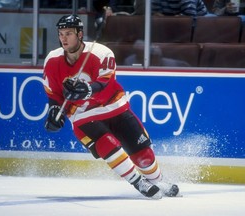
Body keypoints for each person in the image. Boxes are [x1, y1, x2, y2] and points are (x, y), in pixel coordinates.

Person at [42, 14, 179, 199]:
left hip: (114, 106)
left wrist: (88, 90)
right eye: (61, 34)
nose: (63, 38)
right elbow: (54, 94)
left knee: (143, 155)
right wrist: (54, 110)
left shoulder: (101, 52)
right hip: (82, 115)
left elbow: (106, 82)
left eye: (68, 33)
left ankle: (158, 180)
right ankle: (138, 182)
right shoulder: (52, 60)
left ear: (80, 34)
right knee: (107, 144)